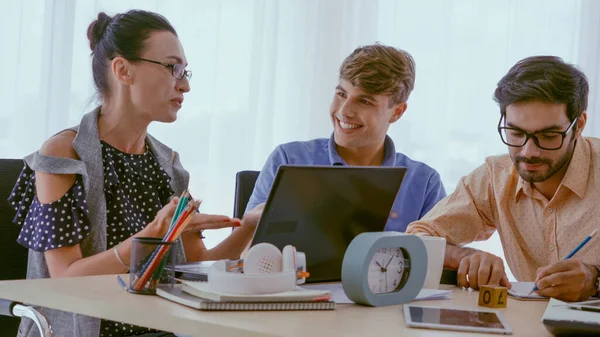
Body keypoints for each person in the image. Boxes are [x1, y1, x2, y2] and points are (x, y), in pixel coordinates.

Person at [9, 10, 260, 337]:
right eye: (174, 68)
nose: (184, 84)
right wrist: (153, 237)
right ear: (123, 70)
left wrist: (250, 227)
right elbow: (66, 278)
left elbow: (195, 268)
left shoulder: (168, 163)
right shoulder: (62, 155)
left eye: (185, 71)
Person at [406, 56, 600, 302]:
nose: (528, 151)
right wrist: (463, 256)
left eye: (549, 135)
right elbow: (416, 240)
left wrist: (595, 281)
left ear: (579, 125)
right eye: (516, 132)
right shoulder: (494, 177)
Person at [245, 43, 446, 232]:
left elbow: (441, 258)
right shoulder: (288, 159)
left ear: (397, 112)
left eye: (365, 101)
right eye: (342, 94)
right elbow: (244, 253)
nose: (344, 111)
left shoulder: (424, 183)